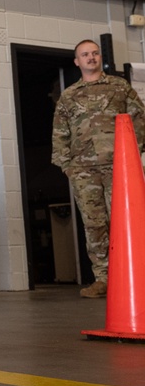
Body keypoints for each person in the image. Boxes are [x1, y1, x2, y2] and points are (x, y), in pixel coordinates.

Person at [51, 39, 145, 298]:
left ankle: (132, 276)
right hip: (84, 171)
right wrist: (67, 167)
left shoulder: (119, 86)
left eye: (94, 53)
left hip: (120, 167)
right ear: (77, 61)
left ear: (99, 57)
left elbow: (139, 119)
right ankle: (103, 278)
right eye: (85, 55)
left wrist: (133, 157)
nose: (90, 58)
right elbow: (60, 134)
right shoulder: (69, 96)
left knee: (125, 221)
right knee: (94, 225)